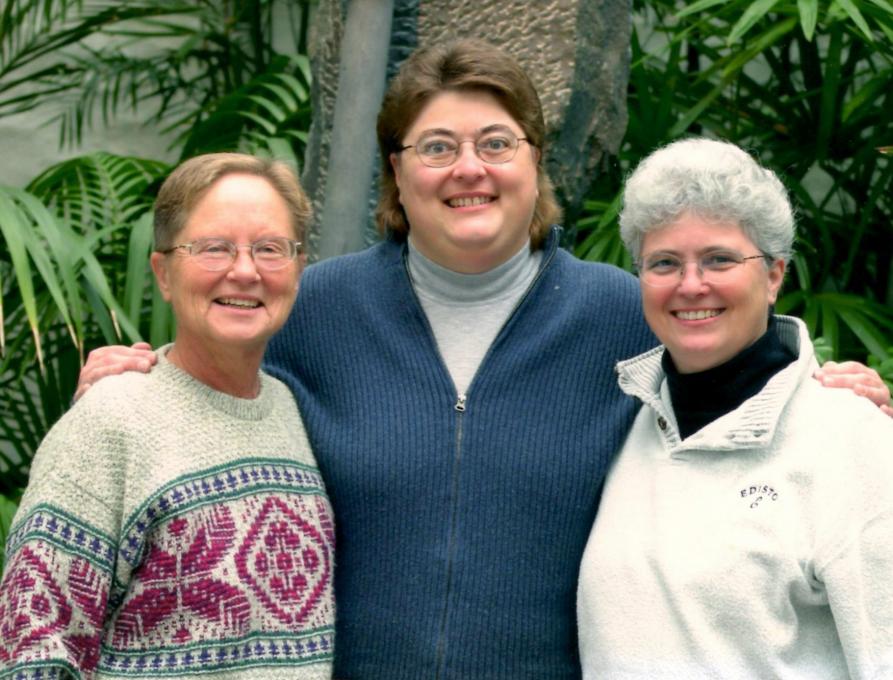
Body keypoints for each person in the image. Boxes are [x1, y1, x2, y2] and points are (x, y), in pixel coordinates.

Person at [71, 42, 891, 679]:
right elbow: (208, 378)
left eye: (496, 142)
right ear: (395, 170)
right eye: (436, 146)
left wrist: (824, 392)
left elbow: (736, 357)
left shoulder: (627, 313)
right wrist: (136, 384)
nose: (469, 168)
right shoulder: (308, 309)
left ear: (536, 160)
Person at [0, 154, 335, 679]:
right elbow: (36, 647)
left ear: (297, 268)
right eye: (213, 248)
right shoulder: (111, 421)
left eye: (270, 249)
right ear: (162, 272)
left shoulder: (292, 411)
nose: (244, 271)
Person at [577, 138, 893, 678]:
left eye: (719, 259)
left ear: (774, 275)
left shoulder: (849, 440)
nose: (691, 284)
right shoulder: (622, 421)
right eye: (664, 262)